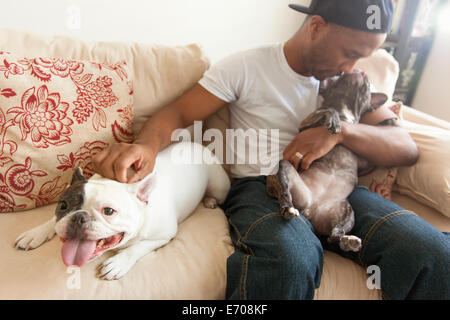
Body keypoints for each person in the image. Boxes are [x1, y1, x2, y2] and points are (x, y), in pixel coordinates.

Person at [93, 0, 450, 299]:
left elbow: (404, 147)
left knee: (432, 251)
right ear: (317, 26)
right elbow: (179, 112)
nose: (352, 67)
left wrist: (338, 132)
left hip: (340, 191)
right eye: (349, 53)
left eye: (363, 58)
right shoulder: (247, 66)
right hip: (264, 188)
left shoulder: (348, 84)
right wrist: (146, 146)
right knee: (289, 260)